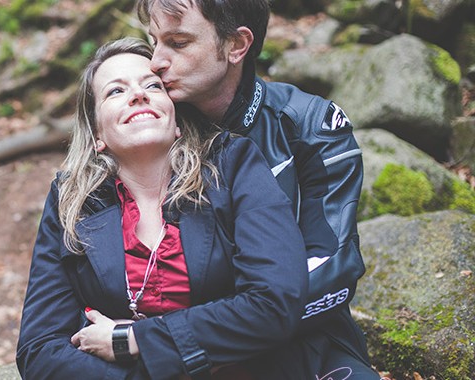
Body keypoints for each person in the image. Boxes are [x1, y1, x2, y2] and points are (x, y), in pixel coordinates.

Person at [17, 37, 333, 379]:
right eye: (115, 92)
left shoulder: (233, 166)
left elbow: (274, 303)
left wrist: (133, 340)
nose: (138, 95)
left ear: (177, 118)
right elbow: (39, 349)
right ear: (97, 133)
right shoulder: (72, 201)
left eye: (152, 85)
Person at [136, 0, 378, 377]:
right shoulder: (147, 129)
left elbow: (334, 271)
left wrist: (210, 335)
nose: (155, 62)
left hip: (306, 342)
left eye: (178, 43)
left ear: (236, 45)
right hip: (171, 353)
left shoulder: (310, 126)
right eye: (154, 41)